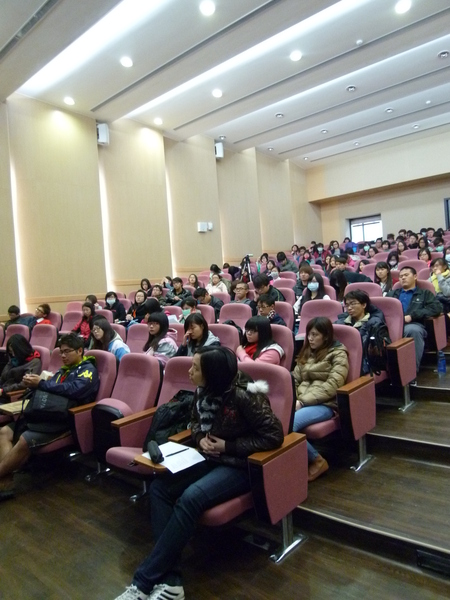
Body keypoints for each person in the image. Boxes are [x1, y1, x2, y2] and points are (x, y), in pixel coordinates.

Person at [115, 346, 283, 600]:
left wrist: (229, 446)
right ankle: (171, 581)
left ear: (212, 375)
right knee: (159, 489)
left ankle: (143, 582)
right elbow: (194, 421)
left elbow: (274, 436)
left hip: (239, 465)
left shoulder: (244, 394)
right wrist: (199, 437)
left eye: (195, 368)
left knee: (190, 497)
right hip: (208, 456)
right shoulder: (203, 390)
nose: (189, 372)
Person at [0, 333, 99, 501]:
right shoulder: (63, 370)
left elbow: (75, 390)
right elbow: (51, 387)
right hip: (46, 413)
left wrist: (42, 383)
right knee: (4, 432)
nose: (63, 356)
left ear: (80, 351)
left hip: (63, 419)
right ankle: (5, 479)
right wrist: (35, 383)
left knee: (24, 439)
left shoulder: (87, 370)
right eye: (61, 352)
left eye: (67, 351)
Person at [292, 317, 349, 482]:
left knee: (288, 425)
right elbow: (294, 380)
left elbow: (333, 385)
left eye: (315, 335)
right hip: (300, 402)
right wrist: (292, 400)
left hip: (325, 404)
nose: (310, 338)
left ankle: (317, 460)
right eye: (309, 334)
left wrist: (302, 402)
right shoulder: (307, 352)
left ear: (326, 336)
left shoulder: (338, 353)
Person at [387, 267, 442, 373]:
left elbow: (436, 308)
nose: (403, 278)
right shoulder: (392, 294)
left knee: (412, 330)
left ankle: (410, 373)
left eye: (406, 275)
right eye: (401, 276)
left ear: (415, 276)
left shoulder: (425, 293)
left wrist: (412, 316)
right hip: (392, 326)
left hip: (414, 324)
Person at [335, 290, 387, 374]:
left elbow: (377, 351)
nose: (349, 308)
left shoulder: (375, 324)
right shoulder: (339, 323)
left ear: (364, 305)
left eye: (353, 304)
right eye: (347, 305)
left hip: (364, 363)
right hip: (339, 359)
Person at [0, 335, 42, 400]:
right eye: (11, 352)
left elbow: (24, 384)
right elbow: (3, 377)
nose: (13, 355)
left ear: (21, 349)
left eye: (14, 352)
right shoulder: (14, 359)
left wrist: (3, 391)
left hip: (11, 394)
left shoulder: (34, 362)